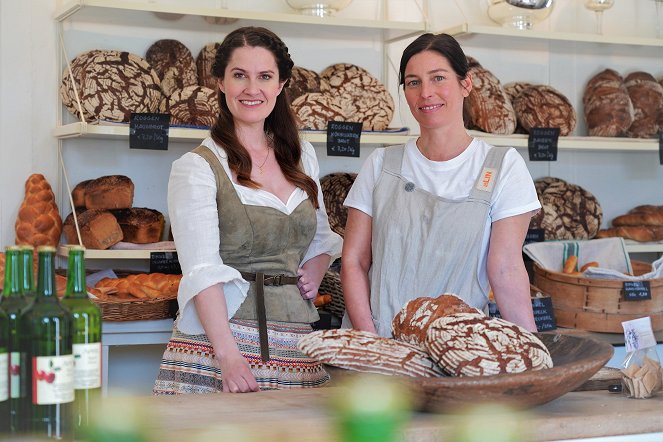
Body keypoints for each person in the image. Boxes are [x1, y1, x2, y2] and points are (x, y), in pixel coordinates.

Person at [154, 26, 342, 394]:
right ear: (221, 83)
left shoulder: (302, 155)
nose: (251, 89)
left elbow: (320, 236)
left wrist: (317, 266)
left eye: (264, 76)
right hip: (221, 345)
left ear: (281, 84)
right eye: (239, 75)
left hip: (297, 343)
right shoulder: (198, 167)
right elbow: (201, 270)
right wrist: (227, 356)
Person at [341, 33, 540, 337]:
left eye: (438, 78)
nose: (426, 93)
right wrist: (371, 342)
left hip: (459, 349)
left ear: (466, 84)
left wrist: (531, 349)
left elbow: (505, 269)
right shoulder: (381, 164)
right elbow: (355, 260)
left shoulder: (502, 167)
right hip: (380, 345)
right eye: (413, 82)